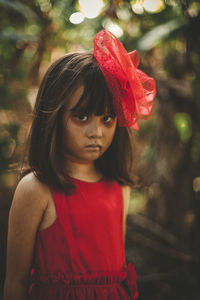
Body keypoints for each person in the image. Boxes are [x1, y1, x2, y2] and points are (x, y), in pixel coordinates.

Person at [3, 30, 156, 300]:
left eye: (107, 118)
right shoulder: (36, 190)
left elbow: (117, 270)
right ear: (54, 116)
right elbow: (15, 282)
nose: (96, 131)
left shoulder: (119, 186)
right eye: (82, 116)